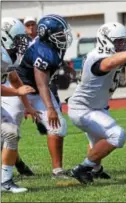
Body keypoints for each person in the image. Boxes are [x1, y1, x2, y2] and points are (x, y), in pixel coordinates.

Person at [67, 22, 126, 184]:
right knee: (117, 135)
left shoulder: (114, 56)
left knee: (97, 142)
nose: (122, 45)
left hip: (95, 107)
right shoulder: (98, 58)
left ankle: (94, 170)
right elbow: (107, 64)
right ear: (105, 41)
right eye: (119, 42)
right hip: (83, 109)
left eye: (124, 41)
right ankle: (81, 168)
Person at [1, 14, 73, 178]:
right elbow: (41, 83)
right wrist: (49, 108)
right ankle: (13, 166)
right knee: (7, 132)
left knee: (58, 126)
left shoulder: (54, 46)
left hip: (31, 89)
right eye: (59, 34)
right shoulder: (41, 50)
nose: (63, 36)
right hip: (16, 89)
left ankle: (57, 170)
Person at [1, 17, 40, 193]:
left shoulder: (7, 56)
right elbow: (16, 88)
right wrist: (17, 93)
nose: (21, 42)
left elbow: (15, 80)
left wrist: (28, 106)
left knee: (11, 133)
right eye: (17, 38)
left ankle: (5, 182)